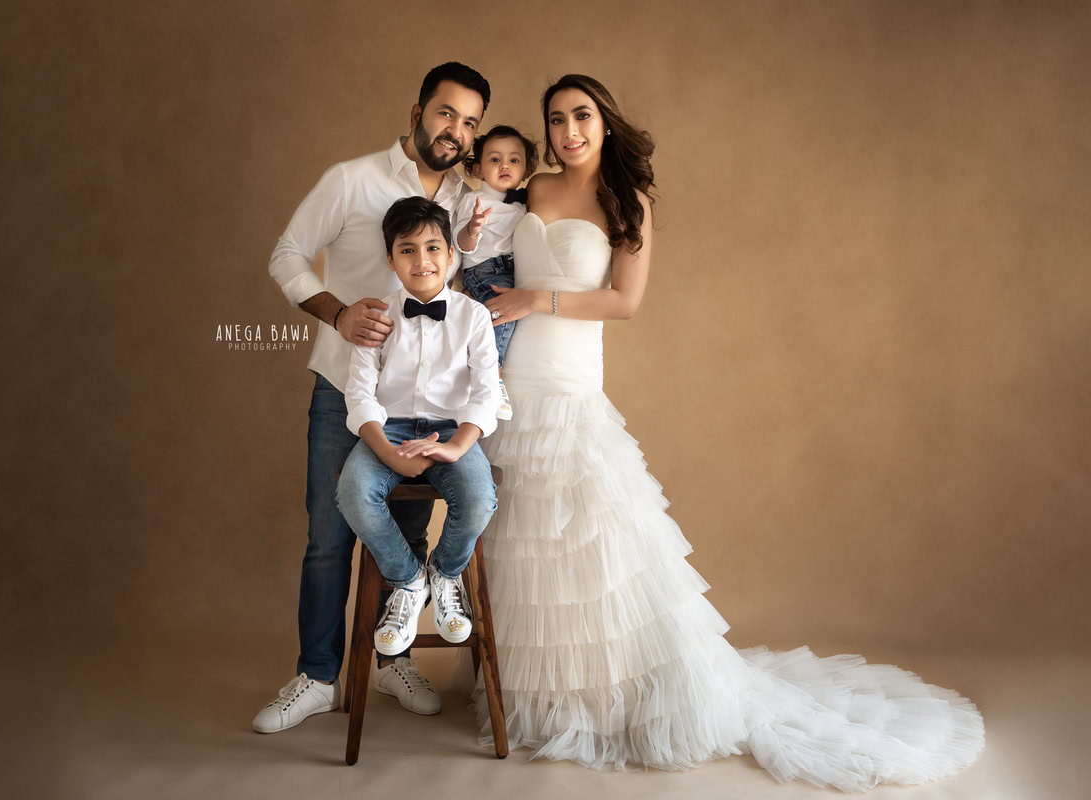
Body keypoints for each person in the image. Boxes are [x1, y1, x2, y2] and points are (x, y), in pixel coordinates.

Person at [419, 73, 986, 790]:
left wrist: (538, 296)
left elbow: (625, 301)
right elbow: (468, 240)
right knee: (522, 539)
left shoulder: (626, 202)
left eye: (582, 116)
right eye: (557, 119)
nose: (570, 132)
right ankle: (530, 692)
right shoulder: (529, 189)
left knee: (587, 543)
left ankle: (603, 700)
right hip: (510, 387)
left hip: (570, 382)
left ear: (605, 123)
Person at [254, 62, 490, 734]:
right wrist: (335, 312)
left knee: (411, 531)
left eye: (471, 122)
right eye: (447, 114)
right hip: (346, 386)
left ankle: (394, 661)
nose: (457, 131)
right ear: (417, 109)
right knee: (329, 540)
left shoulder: (466, 201)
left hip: (428, 406)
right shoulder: (350, 179)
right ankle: (318, 677)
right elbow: (287, 253)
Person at [336, 196, 500, 676]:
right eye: (407, 250)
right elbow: (360, 394)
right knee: (352, 493)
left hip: (451, 430)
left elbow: (486, 394)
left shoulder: (474, 316)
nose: (422, 261)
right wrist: (389, 453)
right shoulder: (378, 316)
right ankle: (408, 580)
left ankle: (445, 574)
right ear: (391, 259)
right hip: (388, 429)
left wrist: (453, 447)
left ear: (451, 253)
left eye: (433, 248)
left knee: (477, 498)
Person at [453, 125, 540, 368]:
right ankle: (491, 372)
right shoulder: (475, 200)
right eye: (495, 159)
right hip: (485, 270)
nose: (505, 165)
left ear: (525, 170)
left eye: (514, 160)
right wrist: (472, 229)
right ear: (479, 168)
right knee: (502, 318)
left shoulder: (523, 205)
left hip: (513, 271)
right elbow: (462, 245)